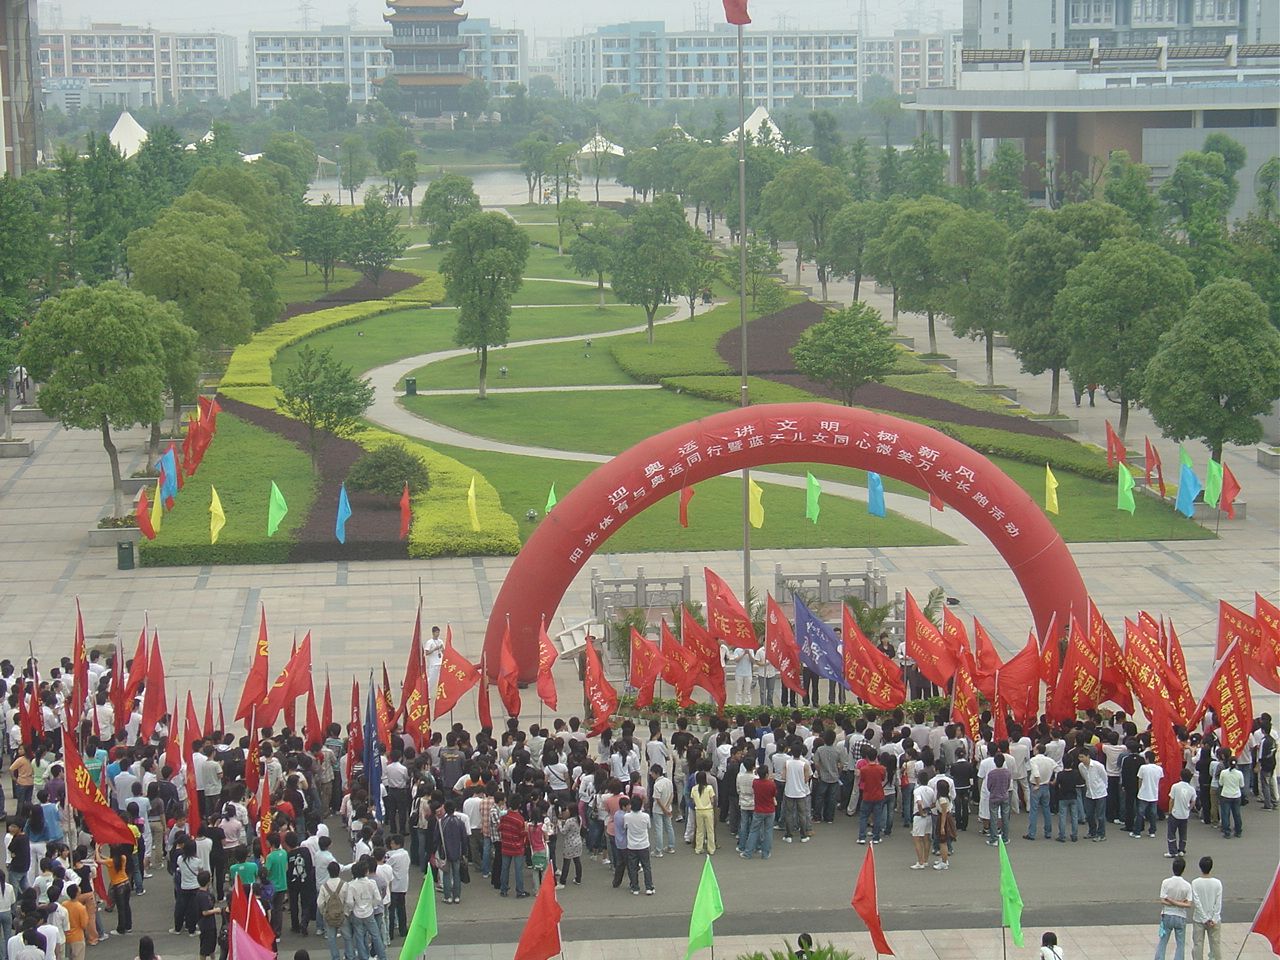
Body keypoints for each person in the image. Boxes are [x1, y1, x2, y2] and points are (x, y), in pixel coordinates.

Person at [1155, 856, 1193, 960]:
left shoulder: (1166, 882)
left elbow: (1163, 900)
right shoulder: (1187, 886)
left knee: (1163, 941)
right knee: (1180, 944)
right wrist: (1180, 902)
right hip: (1180, 916)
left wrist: (1171, 901)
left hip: (1167, 914)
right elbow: (1188, 904)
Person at [1190, 856, 1222, 960]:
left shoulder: (1195, 883)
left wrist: (1204, 918)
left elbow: (1197, 902)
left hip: (1199, 919)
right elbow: (1218, 903)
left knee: (1198, 945)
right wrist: (1214, 918)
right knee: (1215, 945)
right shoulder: (1217, 883)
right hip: (1214, 920)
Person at [1166, 770, 1197, 858]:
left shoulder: (1175, 786)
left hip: (1175, 813)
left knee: (1171, 832)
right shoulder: (1191, 789)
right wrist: (1189, 809)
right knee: (1183, 833)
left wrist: (1170, 811)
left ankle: (1173, 851)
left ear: (1180, 777)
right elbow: (1193, 802)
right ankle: (1181, 850)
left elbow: (1171, 800)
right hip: (1185, 814)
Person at [1133, 751, 1163, 839]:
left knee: (1140, 813)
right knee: (1153, 813)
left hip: (1143, 793)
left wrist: (1139, 790)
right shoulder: (1159, 769)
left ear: (1147, 758)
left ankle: (1137, 831)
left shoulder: (1143, 768)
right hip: (1154, 793)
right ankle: (1152, 831)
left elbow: (1140, 780)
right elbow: (1160, 780)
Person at [986, 754, 1012, 846]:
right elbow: (1008, 785)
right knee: (1005, 817)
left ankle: (994, 838)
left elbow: (988, 786)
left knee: (993, 818)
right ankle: (1005, 838)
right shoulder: (1007, 773)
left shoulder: (991, 773)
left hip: (994, 797)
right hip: (1004, 796)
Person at [193, 871, 219, 960]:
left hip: (210, 924)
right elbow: (205, 912)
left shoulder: (206, 894)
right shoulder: (202, 896)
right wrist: (215, 910)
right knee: (205, 948)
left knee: (211, 946)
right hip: (206, 925)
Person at [690, 772, 716, 856]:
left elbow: (693, 801)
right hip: (708, 810)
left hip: (698, 811)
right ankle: (711, 849)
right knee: (710, 830)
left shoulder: (694, 788)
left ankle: (698, 848)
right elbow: (712, 800)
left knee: (699, 830)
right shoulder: (709, 788)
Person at [1217, 756, 1243, 838]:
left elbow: (1221, 783)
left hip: (1226, 795)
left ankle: (1227, 831)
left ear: (1228, 763)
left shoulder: (1224, 773)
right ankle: (1238, 831)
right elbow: (1241, 785)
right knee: (1237, 814)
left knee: (1225, 814)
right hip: (1236, 795)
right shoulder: (1239, 773)